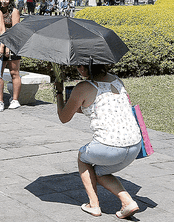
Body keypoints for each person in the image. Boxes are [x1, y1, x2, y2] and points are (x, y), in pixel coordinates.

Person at [56, 63, 142, 219]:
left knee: (83, 157)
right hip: (135, 145)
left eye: (78, 67)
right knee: (100, 172)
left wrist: (58, 93)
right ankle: (127, 201)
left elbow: (64, 117)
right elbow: (99, 106)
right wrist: (76, 103)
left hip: (110, 147)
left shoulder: (82, 87)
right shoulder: (116, 80)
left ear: (83, 68)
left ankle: (94, 205)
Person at [0, 0, 22, 109]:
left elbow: (14, 31)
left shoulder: (14, 11)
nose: (4, 1)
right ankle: (0, 99)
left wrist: (7, 47)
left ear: (10, 0)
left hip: (12, 44)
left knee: (14, 72)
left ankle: (15, 99)